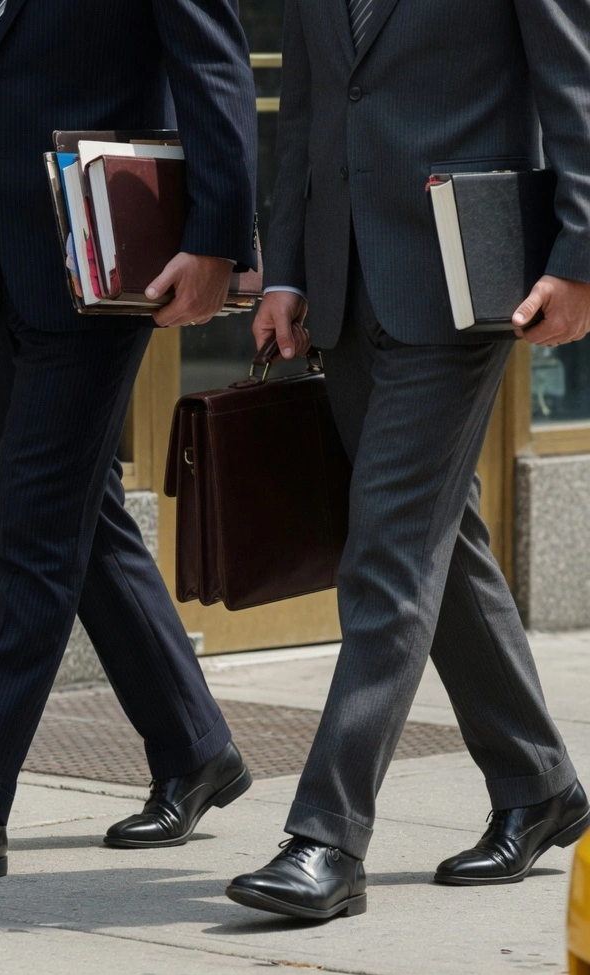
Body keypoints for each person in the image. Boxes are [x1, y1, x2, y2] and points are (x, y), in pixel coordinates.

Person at [0, 0, 257, 881]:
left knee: (34, 537)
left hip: (103, 265)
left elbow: (214, 66)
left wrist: (216, 238)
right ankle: (195, 747)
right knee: (81, 521)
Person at [227, 0, 590, 922]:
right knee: (437, 535)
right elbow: (304, 108)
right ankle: (538, 782)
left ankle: (326, 838)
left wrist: (580, 257)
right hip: (346, 283)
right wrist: (287, 271)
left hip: (470, 275)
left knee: (388, 550)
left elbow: (575, 86)